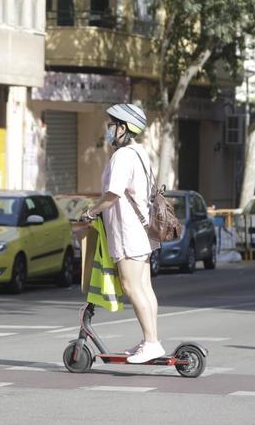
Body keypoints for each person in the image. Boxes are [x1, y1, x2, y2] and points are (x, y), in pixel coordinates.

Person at [80, 103, 163, 363]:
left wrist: (91, 212)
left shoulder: (123, 156)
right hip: (143, 232)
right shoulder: (140, 153)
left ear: (123, 128)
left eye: (111, 125)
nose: (108, 129)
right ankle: (152, 341)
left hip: (128, 233)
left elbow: (113, 194)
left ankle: (151, 342)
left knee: (131, 286)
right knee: (145, 288)